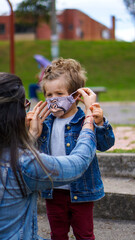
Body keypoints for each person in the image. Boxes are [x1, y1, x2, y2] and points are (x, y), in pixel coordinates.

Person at [0, 72, 97, 240]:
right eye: (25, 105)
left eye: (59, 94)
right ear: (13, 115)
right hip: (54, 195)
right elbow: (79, 163)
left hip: (80, 193)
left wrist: (31, 136)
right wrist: (90, 117)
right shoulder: (24, 163)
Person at [38, 58, 115, 240]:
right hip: (54, 191)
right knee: (57, 234)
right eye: (49, 95)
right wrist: (31, 130)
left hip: (81, 191)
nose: (53, 99)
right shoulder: (45, 123)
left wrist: (100, 123)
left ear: (75, 96)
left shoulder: (85, 120)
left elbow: (105, 145)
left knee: (84, 234)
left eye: (59, 93)